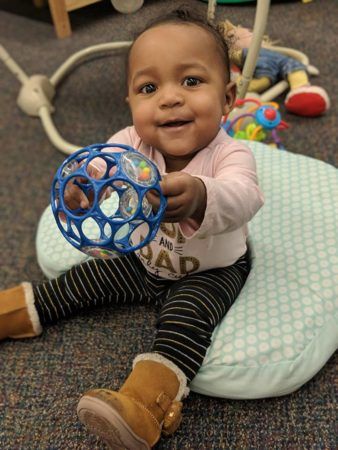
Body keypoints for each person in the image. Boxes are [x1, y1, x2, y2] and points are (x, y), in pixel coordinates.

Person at [0, 8, 264, 449]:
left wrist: (202, 195)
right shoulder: (130, 143)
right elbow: (96, 168)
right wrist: (80, 191)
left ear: (229, 97)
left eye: (192, 81)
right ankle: (16, 313)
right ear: (131, 103)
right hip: (142, 258)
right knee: (80, 280)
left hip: (210, 270)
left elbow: (245, 197)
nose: (170, 98)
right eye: (148, 87)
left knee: (185, 323)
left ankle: (144, 407)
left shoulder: (230, 155)